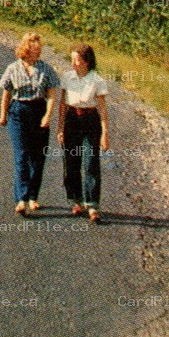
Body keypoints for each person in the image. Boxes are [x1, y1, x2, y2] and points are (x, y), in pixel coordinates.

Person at [0, 31, 59, 215]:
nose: (35, 53)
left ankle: (33, 196)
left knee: (37, 157)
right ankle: (21, 198)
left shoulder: (46, 69)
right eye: (32, 49)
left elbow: (52, 95)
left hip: (38, 110)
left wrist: (48, 116)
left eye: (38, 50)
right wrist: (3, 115)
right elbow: (6, 93)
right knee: (21, 155)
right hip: (18, 112)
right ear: (25, 49)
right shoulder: (13, 68)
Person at [57, 43, 109, 223]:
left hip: (90, 121)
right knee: (71, 162)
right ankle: (76, 200)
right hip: (72, 120)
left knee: (91, 163)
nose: (74, 63)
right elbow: (62, 104)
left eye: (77, 60)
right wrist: (60, 128)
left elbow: (102, 109)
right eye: (72, 59)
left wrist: (105, 133)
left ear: (87, 61)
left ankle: (92, 204)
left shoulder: (97, 80)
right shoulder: (67, 77)